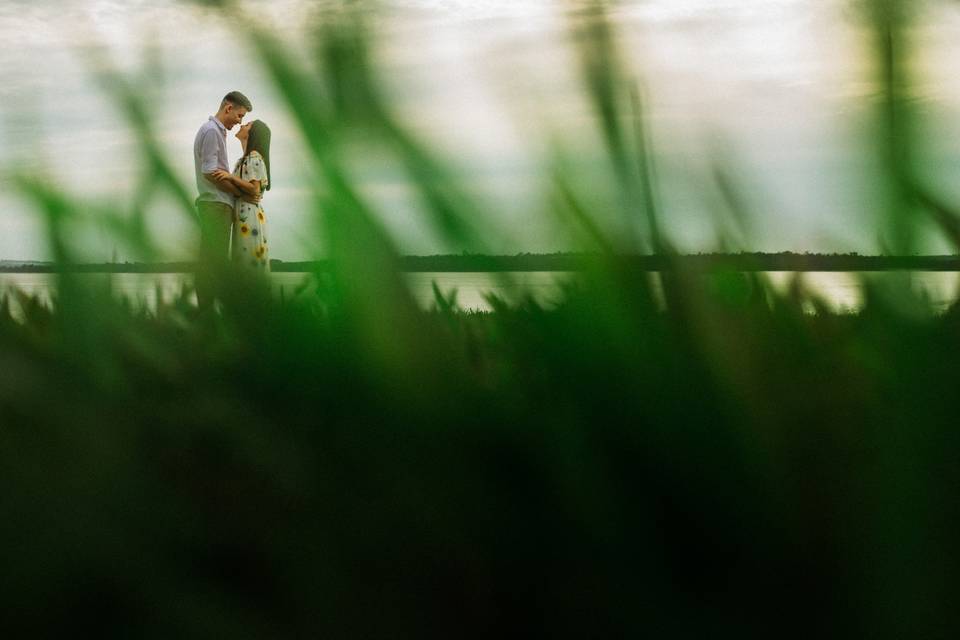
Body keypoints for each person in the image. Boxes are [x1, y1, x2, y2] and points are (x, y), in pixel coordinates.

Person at [192, 90, 258, 309]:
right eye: (239, 116)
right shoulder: (212, 131)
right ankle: (207, 312)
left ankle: (208, 311)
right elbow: (210, 172)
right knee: (213, 261)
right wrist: (239, 193)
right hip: (216, 205)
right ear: (228, 108)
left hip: (216, 204)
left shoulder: (215, 132)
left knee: (212, 259)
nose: (239, 122)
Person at [211, 119, 272, 272]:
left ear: (252, 134)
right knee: (244, 260)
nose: (242, 125)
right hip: (244, 213)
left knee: (249, 261)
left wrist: (230, 177)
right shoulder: (244, 159)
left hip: (249, 215)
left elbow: (254, 189)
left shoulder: (254, 157)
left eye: (247, 125)